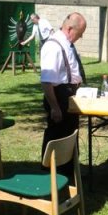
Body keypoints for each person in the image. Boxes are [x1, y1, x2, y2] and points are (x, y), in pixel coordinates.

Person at [39, 12, 86, 176]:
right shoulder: (53, 46)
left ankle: (69, 172)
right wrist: (55, 107)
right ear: (70, 29)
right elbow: (47, 82)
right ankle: (50, 173)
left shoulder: (66, 43)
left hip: (69, 94)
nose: (80, 37)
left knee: (70, 133)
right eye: (79, 34)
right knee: (56, 135)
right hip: (58, 96)